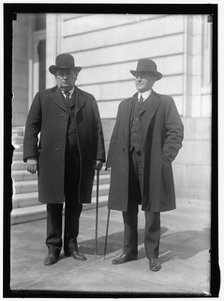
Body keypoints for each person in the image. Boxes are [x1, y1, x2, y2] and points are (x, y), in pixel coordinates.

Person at [23, 53, 105, 266]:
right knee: (53, 204)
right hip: (51, 161)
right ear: (56, 76)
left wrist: (98, 156)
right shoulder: (43, 97)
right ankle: (53, 247)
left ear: (76, 75)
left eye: (69, 73)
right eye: (61, 74)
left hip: (79, 161)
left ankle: (71, 244)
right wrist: (31, 155)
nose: (64, 77)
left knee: (75, 203)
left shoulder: (88, 99)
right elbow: (32, 127)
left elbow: (97, 129)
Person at [106, 58, 184, 271]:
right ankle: (129, 251)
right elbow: (116, 135)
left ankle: (152, 255)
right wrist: (110, 160)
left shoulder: (165, 102)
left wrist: (165, 158)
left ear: (153, 79)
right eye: (136, 75)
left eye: (144, 75)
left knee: (152, 208)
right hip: (126, 162)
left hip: (151, 163)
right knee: (127, 207)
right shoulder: (125, 105)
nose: (138, 78)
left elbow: (176, 132)